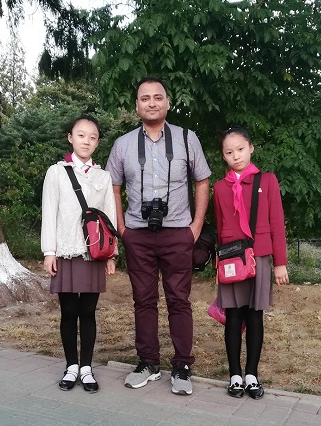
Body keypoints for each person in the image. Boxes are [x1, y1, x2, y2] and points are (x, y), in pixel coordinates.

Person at [106, 77, 211, 395]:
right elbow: (112, 185)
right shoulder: (123, 144)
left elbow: (203, 180)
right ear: (136, 105)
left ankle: (182, 366)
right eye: (144, 98)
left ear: (168, 103)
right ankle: (148, 362)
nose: (151, 103)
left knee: (180, 301)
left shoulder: (186, 138)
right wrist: (121, 229)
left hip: (178, 231)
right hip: (137, 233)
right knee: (143, 301)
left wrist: (195, 226)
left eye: (157, 97)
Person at [41, 114, 117, 393]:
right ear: (70, 138)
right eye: (81, 135)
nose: (87, 140)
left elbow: (109, 217)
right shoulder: (56, 172)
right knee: (68, 311)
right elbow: (49, 212)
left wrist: (111, 254)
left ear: (97, 142)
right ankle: (70, 365)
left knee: (88, 311)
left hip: (93, 254)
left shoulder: (103, 176)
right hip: (65, 251)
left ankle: (86, 367)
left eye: (93, 136)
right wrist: (49, 251)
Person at [213, 127, 289, 399]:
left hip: (260, 257)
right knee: (233, 317)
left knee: (255, 317)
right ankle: (234, 375)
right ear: (224, 155)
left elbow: (277, 223)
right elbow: (221, 229)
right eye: (229, 152)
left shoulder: (266, 180)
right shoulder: (220, 188)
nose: (236, 156)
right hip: (231, 260)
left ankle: (251, 375)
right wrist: (218, 265)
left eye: (241, 149)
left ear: (251, 148)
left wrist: (280, 262)